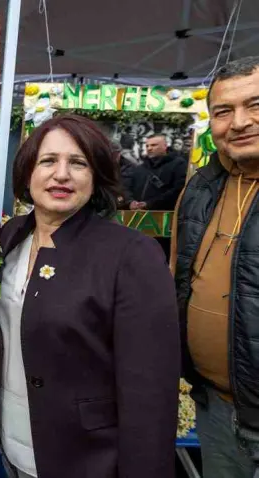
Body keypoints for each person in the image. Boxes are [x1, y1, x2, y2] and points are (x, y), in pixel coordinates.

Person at [0, 115, 180, 478]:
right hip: (11, 445)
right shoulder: (9, 236)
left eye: (78, 163)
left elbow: (150, 391)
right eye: (48, 161)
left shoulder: (131, 254)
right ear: (26, 172)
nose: (61, 174)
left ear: (95, 176)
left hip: (87, 458)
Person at [171, 55, 259, 478]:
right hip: (216, 406)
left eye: (255, 105)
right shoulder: (201, 188)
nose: (239, 122)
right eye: (224, 111)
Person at [124, 133, 188, 210]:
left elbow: (178, 190)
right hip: (136, 215)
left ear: (165, 146)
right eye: (147, 146)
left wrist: (150, 204)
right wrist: (130, 201)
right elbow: (126, 187)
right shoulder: (141, 168)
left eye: (154, 145)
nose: (149, 148)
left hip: (164, 215)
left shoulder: (178, 164)